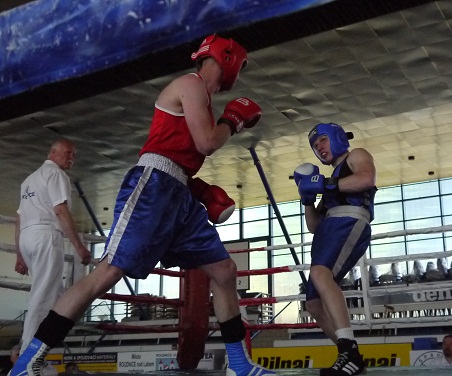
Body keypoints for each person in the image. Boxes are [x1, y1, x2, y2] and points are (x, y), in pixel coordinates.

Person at [9, 34, 274, 376]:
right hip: (153, 186)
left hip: (178, 191)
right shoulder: (190, 84)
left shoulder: (200, 99)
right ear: (229, 60)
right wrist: (233, 120)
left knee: (224, 272)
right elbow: (206, 142)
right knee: (109, 271)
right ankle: (29, 360)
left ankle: (240, 364)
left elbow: (184, 153)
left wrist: (200, 188)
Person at [293, 123, 377, 376]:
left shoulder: (357, 155)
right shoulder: (329, 182)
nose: (319, 147)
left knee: (320, 274)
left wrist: (325, 185)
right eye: (315, 145)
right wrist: (307, 199)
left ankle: (349, 350)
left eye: (323, 140)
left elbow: (366, 178)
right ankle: (349, 355)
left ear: (337, 138)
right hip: (328, 229)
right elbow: (313, 225)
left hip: (350, 221)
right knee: (314, 304)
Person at [15, 139, 92, 353]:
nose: (71, 158)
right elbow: (60, 210)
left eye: (74, 155)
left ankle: (41, 354)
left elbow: (19, 220)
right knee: (43, 296)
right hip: (45, 236)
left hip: (28, 238)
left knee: (60, 298)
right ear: (53, 152)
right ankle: (26, 356)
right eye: (68, 153)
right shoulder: (56, 174)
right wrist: (79, 247)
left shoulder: (28, 181)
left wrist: (20, 255)